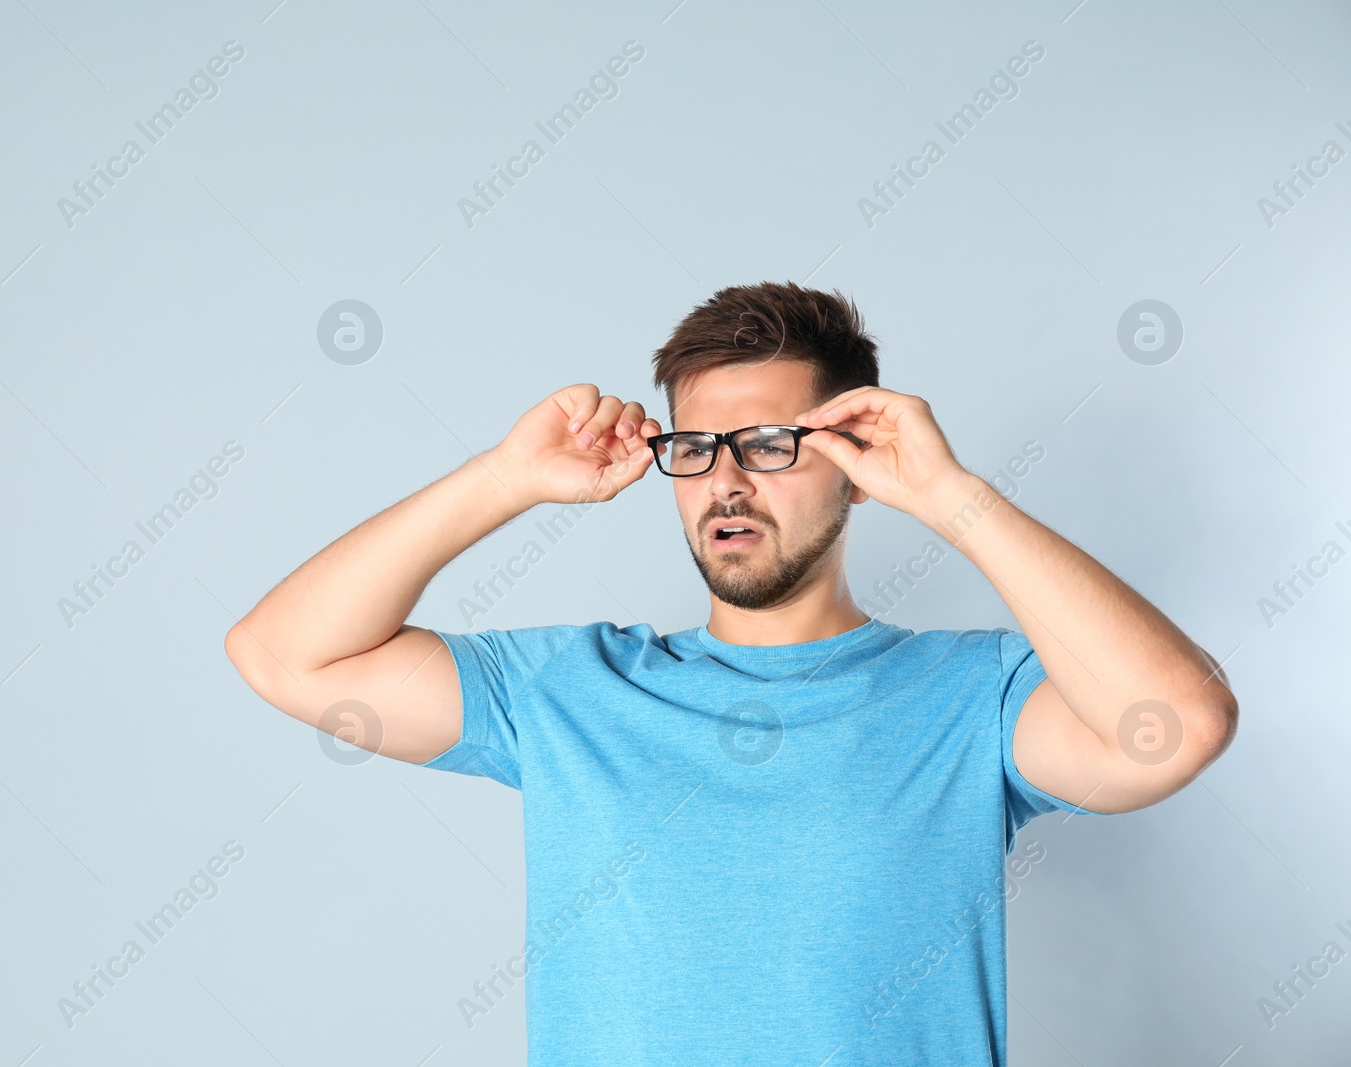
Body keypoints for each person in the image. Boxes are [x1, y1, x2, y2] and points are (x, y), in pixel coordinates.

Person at [223, 281, 1238, 1066]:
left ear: (855, 456)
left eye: (768, 444)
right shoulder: (568, 689)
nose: (727, 481)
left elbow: (1179, 724)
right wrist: (506, 476)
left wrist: (951, 496)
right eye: (699, 448)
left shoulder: (970, 697)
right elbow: (283, 652)